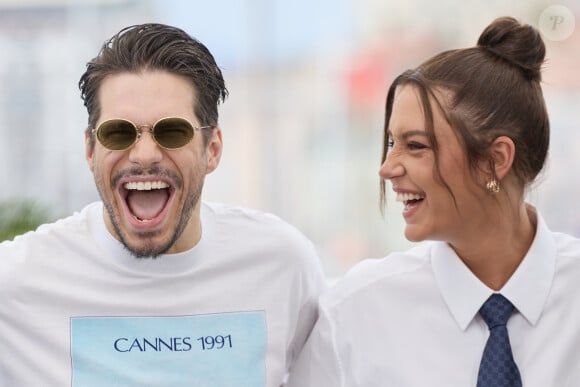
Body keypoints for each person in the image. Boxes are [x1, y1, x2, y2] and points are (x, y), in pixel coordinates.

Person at [0, 23, 326, 386]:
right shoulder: (17, 282)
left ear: (212, 149)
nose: (143, 155)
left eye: (172, 131)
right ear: (91, 150)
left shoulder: (281, 264)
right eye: (118, 132)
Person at [287, 16, 580, 386]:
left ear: (495, 159)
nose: (387, 169)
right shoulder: (356, 312)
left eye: (415, 146)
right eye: (392, 143)